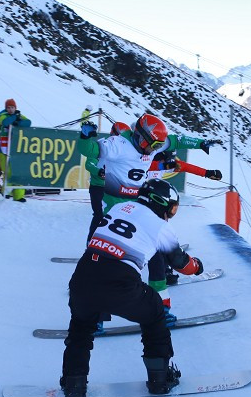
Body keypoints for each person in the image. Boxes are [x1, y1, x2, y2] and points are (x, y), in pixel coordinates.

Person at [59, 178, 205, 397]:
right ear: (161, 203)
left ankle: (73, 383)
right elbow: (180, 263)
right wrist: (197, 267)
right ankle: (160, 379)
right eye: (172, 208)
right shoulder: (161, 226)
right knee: (155, 312)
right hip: (119, 280)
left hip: (82, 276)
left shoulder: (119, 207)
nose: (171, 214)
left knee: (81, 327)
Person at [87, 113, 221, 322]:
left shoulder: (152, 153)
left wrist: (201, 156)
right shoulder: (117, 149)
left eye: (158, 148)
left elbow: (176, 152)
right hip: (123, 205)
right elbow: (92, 158)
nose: (154, 150)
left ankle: (98, 313)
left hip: (132, 207)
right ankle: (100, 311)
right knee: (112, 243)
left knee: (119, 255)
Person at [0, 98, 32, 202]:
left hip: (16, 148)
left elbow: (28, 123)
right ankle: (6, 192)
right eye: (8, 107)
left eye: (12, 107)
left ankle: (19, 195)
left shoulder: (18, 115)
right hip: (3, 148)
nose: (10, 109)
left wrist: (18, 121)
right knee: (8, 171)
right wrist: (15, 118)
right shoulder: (2, 115)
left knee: (18, 171)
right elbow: (6, 122)